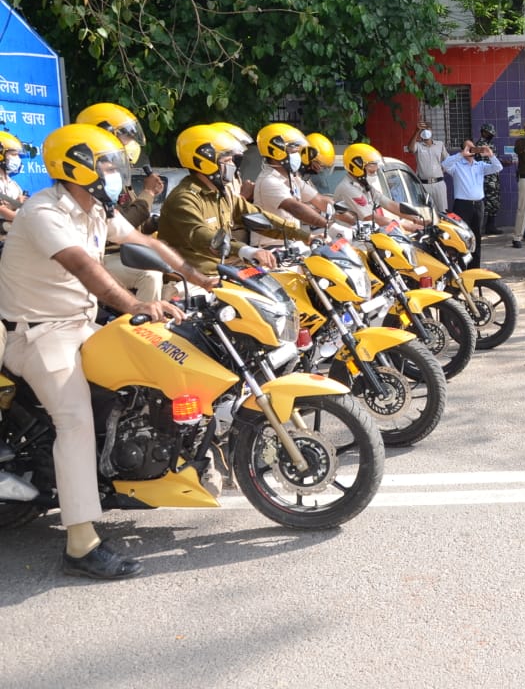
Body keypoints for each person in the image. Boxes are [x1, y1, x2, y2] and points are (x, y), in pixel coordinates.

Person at [0, 124, 211, 579]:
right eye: (106, 163)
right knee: (74, 420)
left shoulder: (94, 208)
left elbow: (145, 242)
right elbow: (83, 267)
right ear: (76, 165)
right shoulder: (44, 213)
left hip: (80, 324)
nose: (114, 171)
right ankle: (80, 544)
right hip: (37, 334)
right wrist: (136, 305)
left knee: (142, 372)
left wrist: (202, 278)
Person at [158, 125, 311, 279]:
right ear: (204, 163)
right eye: (227, 160)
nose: (232, 165)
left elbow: (259, 217)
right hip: (191, 283)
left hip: (224, 273)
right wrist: (246, 250)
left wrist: (303, 236)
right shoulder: (184, 199)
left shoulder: (223, 194)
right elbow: (200, 235)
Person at [76, 103, 165, 302]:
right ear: (104, 134)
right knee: (150, 274)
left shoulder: (117, 179)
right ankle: (143, 328)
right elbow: (122, 223)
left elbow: (136, 225)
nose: (131, 143)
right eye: (127, 137)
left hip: (125, 252)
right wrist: (149, 192)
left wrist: (157, 222)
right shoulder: (89, 179)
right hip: (103, 256)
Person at [251, 123, 331, 247]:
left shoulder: (292, 178)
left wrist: (340, 211)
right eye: (293, 150)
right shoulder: (269, 181)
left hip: (291, 245)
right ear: (277, 151)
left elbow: (319, 200)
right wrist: (326, 223)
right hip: (270, 248)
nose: (297, 155)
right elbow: (296, 209)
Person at [333, 142, 425, 234]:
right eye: (371, 171)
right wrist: (408, 226)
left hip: (365, 235)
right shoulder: (349, 188)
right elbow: (370, 217)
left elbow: (389, 204)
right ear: (357, 168)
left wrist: (416, 219)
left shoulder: (364, 186)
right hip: (351, 239)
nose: (375, 175)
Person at [444, 138, 503, 267]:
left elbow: (498, 167)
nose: (471, 150)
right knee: (461, 237)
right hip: (462, 205)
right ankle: (461, 267)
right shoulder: (457, 166)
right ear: (463, 149)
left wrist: (490, 155)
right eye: (468, 148)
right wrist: (461, 155)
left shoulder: (480, 165)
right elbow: (444, 164)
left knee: (476, 237)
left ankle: (474, 268)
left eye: (473, 147)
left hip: (478, 205)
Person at [411, 128, 449, 214]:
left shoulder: (439, 144)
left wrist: (443, 169)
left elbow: (448, 159)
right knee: (426, 212)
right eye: (423, 130)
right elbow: (411, 149)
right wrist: (416, 131)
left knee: (442, 211)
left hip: (439, 184)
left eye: (427, 129)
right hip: (424, 185)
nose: (425, 132)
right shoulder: (418, 145)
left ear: (431, 131)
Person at [0, 131, 30, 237]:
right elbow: (3, 211)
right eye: (13, 154)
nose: (17, 159)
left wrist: (16, 203)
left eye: (18, 155)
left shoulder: (13, 184)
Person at [477, 123, 504, 235]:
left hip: (494, 177)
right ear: (483, 132)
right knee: (488, 203)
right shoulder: (479, 146)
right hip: (486, 179)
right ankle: (483, 227)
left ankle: (490, 226)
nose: (491, 134)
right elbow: (481, 162)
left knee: (494, 202)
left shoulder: (490, 144)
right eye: (489, 132)